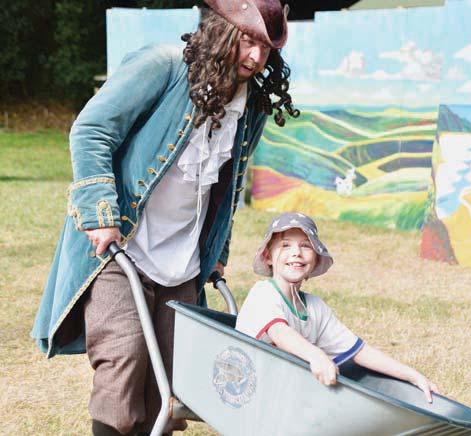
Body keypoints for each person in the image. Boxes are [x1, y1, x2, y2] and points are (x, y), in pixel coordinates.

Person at [31, 1, 299, 435]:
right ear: (220, 30)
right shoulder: (163, 67)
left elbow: (228, 187)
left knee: (170, 385)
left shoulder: (251, 106)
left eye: (266, 48)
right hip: (122, 247)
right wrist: (100, 213)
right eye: (248, 41)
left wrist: (218, 253)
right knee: (124, 359)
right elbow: (92, 130)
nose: (255, 57)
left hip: (183, 260)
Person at [235, 212, 439, 402]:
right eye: (285, 245)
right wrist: (316, 355)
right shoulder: (263, 293)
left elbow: (360, 352)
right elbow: (280, 333)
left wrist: (412, 375)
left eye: (306, 246)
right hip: (247, 392)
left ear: (316, 259)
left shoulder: (314, 307)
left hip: (282, 396)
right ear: (268, 257)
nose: (296, 253)